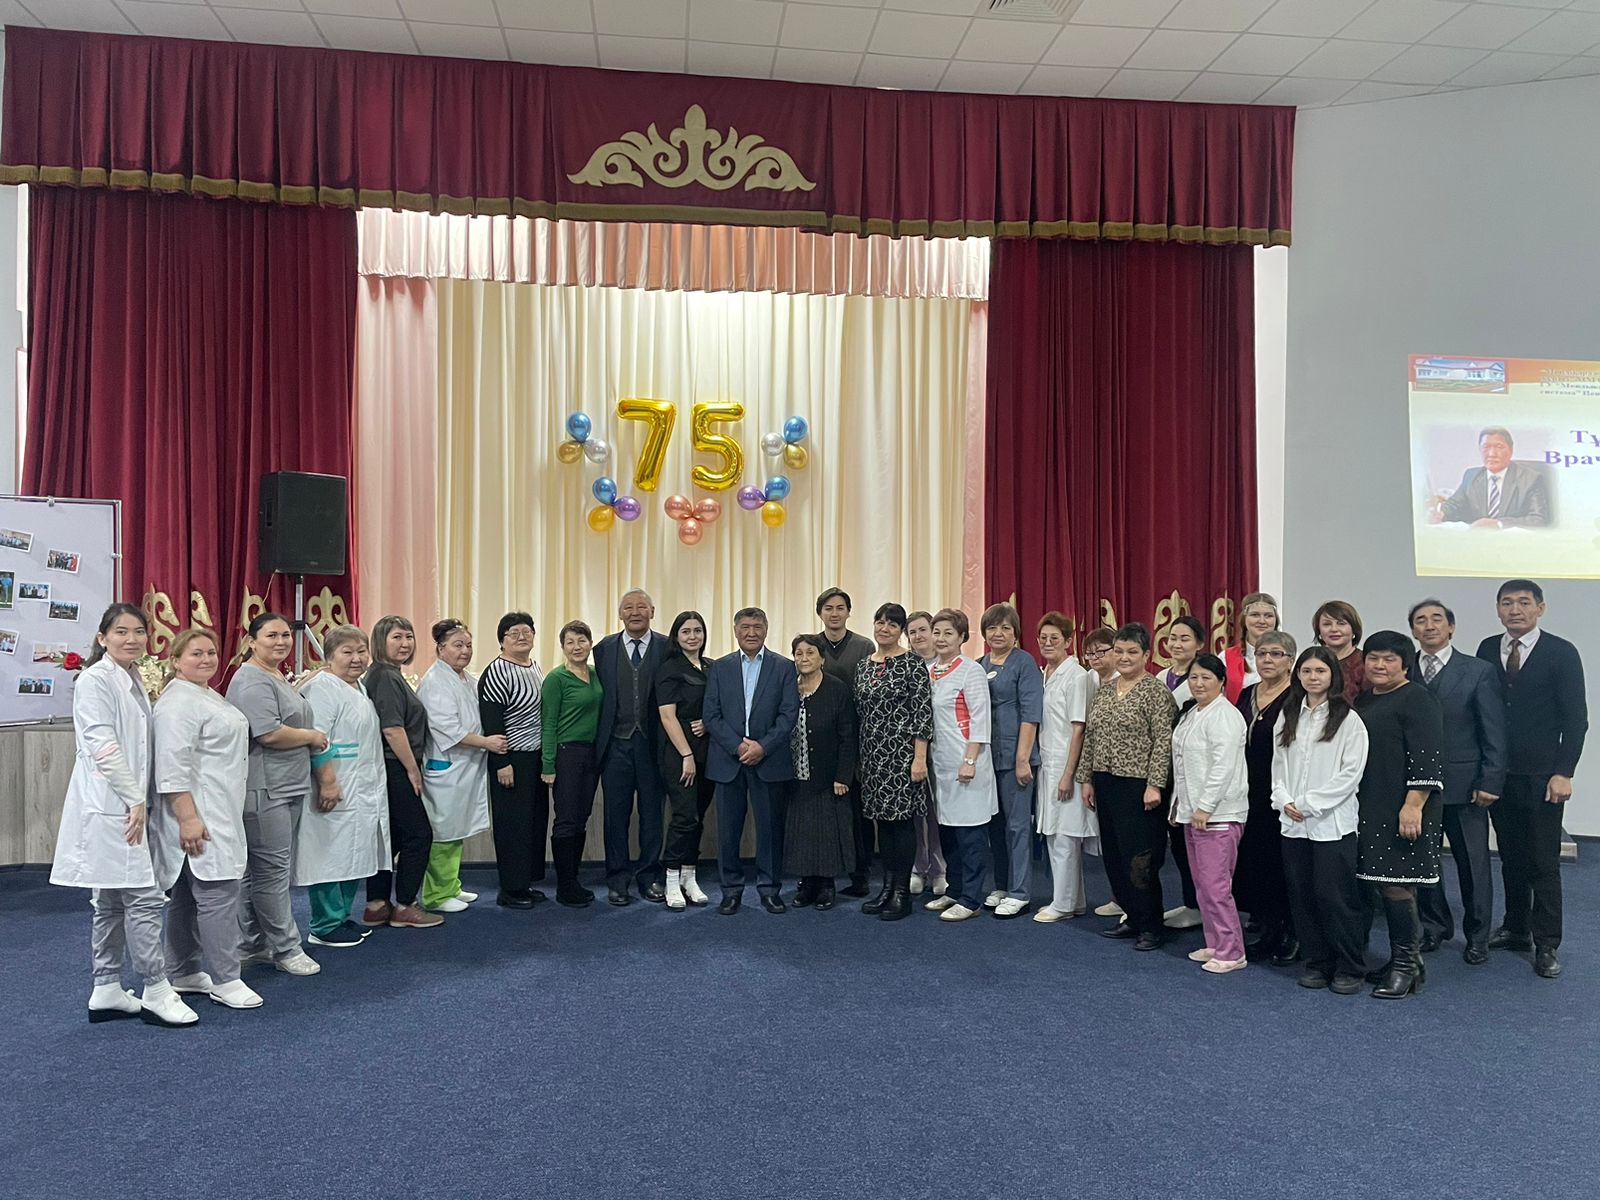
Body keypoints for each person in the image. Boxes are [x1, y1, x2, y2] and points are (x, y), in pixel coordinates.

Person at [53, 603, 198, 1028]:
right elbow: (103, 745)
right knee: (142, 896)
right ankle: (155, 988)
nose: (131, 639)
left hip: (126, 800)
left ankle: (107, 987)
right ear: (102, 638)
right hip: (115, 803)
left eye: (138, 631)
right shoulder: (95, 680)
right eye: (121, 631)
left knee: (112, 899)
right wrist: (135, 799)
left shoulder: (131, 676)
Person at [1476, 579, 1587, 978]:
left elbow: (1576, 719)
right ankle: (1516, 927)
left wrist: (1564, 772)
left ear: (1540, 608)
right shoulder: (1488, 648)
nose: (1515, 610)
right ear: (1498, 610)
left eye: (1524, 602)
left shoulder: (1561, 652)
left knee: (1543, 861)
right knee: (1511, 856)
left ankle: (1547, 943)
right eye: (1507, 603)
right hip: (1499, 774)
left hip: (1543, 776)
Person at [151, 628, 260, 1009]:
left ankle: (182, 970)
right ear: (176, 660)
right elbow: (171, 767)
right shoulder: (178, 703)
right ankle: (227, 979)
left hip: (218, 808)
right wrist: (188, 818)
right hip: (200, 813)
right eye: (196, 653)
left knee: (186, 895)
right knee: (218, 895)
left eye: (211, 652)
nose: (206, 659)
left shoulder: (204, 694)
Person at [227, 612, 328, 970]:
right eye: (271, 635)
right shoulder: (252, 679)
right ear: (251, 641)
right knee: (271, 873)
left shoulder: (274, 675)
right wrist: (313, 736)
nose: (281, 641)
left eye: (285, 635)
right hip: (267, 788)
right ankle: (287, 949)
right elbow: (268, 733)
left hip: (284, 785)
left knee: (259, 873)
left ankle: (253, 944)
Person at [1410, 599, 1506, 964]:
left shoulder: (1478, 670)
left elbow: (1493, 730)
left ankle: (1478, 935)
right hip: (1417, 788)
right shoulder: (1403, 669)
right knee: (1424, 863)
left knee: (1473, 865)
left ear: (1451, 626)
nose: (1429, 625)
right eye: (1421, 621)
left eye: (1437, 619)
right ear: (1413, 630)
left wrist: (1491, 779)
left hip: (1466, 786)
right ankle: (1434, 927)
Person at [1272, 647, 1371, 994]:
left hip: (1331, 824)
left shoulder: (1348, 719)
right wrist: (1284, 800)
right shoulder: (1288, 715)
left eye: (1320, 671)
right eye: (1307, 671)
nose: (1313, 677)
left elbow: (1350, 775)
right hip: (1293, 824)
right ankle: (1317, 962)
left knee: (1335, 898)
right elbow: (1278, 766)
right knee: (1302, 896)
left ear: (1333, 676)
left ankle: (1350, 966)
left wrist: (1308, 804)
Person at [1353, 631, 1446, 999]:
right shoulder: (1365, 699)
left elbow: (1428, 756)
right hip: (1372, 802)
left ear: (1405, 664)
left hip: (1405, 805)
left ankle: (1405, 966)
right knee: (1381, 880)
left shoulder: (1418, 698)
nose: (1379, 665)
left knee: (1398, 884)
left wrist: (1413, 805)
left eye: (1389, 659)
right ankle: (1407, 963)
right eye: (1373, 658)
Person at [1078, 624, 1177, 951]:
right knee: (1115, 855)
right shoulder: (1106, 690)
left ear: (1146, 655)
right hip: (1105, 781)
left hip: (1139, 786)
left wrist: (1155, 785)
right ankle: (1132, 916)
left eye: (1132, 652)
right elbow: (1091, 736)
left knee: (1140, 859)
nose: (1124, 657)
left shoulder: (1155, 692)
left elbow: (1163, 742)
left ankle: (1151, 925)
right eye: (1119, 651)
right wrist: (1086, 778)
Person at [296, 625, 389, 949]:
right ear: (329, 656)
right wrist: (328, 782)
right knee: (329, 853)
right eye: (347, 652)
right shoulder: (322, 688)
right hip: (335, 784)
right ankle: (324, 924)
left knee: (354, 851)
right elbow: (317, 738)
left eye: (361, 651)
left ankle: (341, 915)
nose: (356, 658)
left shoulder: (358, 686)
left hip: (362, 787)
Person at [704, 607, 798, 914]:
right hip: (728, 761)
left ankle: (769, 889)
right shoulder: (720, 667)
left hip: (768, 761)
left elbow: (788, 714)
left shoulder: (784, 667)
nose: (751, 632)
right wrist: (737, 747)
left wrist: (762, 747)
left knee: (770, 830)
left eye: (757, 626)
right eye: (745, 627)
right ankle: (731, 890)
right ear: (735, 631)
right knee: (728, 831)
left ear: (766, 630)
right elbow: (711, 715)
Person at [853, 602, 934, 922]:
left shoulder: (913, 664)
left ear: (901, 631)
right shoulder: (864, 665)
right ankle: (886, 888)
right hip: (872, 757)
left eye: (892, 624)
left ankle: (902, 892)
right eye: (880, 622)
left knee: (901, 824)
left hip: (902, 757)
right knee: (882, 825)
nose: (884, 628)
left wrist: (919, 759)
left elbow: (922, 715)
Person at [1171, 654, 1250, 973]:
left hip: (1219, 813)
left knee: (1216, 886)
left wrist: (1205, 806)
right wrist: (1182, 806)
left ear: (1221, 681)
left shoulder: (1226, 716)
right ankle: (1215, 942)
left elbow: (1223, 767)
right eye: (1194, 677)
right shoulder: (1193, 712)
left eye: (1206, 677)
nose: (1199, 683)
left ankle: (1232, 951)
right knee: (1202, 884)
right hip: (1193, 812)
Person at [363, 615, 442, 930]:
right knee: (419, 835)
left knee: (392, 836)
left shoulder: (388, 674)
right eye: (396, 637)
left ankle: (377, 904)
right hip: (395, 764)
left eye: (409, 637)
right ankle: (406, 905)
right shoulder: (385, 676)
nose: (405, 643)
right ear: (380, 641)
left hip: (391, 764)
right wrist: (412, 769)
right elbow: (393, 729)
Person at [593, 589, 671, 906]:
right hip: (616, 746)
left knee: (653, 815)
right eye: (628, 607)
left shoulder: (668, 647)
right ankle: (617, 879)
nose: (635, 612)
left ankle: (650, 876)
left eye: (641, 607)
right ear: (620, 613)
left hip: (654, 745)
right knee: (616, 817)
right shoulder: (603, 649)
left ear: (652, 611)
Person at [923, 608, 999, 922]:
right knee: (948, 832)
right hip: (939, 764)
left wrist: (970, 760)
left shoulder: (971, 671)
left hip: (967, 762)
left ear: (962, 638)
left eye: (948, 633)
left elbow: (981, 719)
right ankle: (954, 890)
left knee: (971, 835)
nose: (941, 639)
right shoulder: (928, 670)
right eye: (936, 632)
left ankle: (972, 898)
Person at [417, 619, 497, 913]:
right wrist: (486, 742)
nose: (465, 651)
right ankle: (436, 895)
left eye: (468, 645)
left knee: (457, 830)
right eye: (457, 645)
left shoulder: (466, 678)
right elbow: (448, 729)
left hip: (465, 768)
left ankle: (451, 885)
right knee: (444, 833)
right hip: (446, 767)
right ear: (440, 649)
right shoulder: (435, 682)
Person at [1234, 630, 1298, 965]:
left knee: (1281, 864)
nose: (1268, 660)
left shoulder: (1297, 697)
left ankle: (1291, 932)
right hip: (1249, 792)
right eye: (1261, 654)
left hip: (1282, 792)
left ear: (1290, 661)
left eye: (1276, 654)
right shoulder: (1247, 694)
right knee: (1256, 860)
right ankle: (1268, 928)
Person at [785, 634, 860, 911]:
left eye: (810, 653)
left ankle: (826, 885)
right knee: (802, 831)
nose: (804, 658)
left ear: (822, 659)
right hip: (795, 775)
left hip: (828, 776)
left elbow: (848, 736)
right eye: (799, 653)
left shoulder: (836, 689)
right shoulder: (788, 688)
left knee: (827, 831)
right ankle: (807, 884)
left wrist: (843, 776)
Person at [479, 611, 548, 909]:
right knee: (512, 825)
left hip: (535, 757)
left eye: (527, 632)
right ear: (502, 641)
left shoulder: (534, 666)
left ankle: (526, 882)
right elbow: (492, 722)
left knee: (533, 821)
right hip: (511, 760)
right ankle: (510, 889)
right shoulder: (497, 671)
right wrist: (502, 762)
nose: (522, 637)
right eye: (514, 633)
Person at [979, 602, 1042, 919]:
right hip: (986, 758)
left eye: (1005, 628)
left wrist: (1022, 759)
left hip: (1016, 757)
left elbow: (1031, 714)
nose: (998, 633)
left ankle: (1020, 892)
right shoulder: (979, 664)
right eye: (992, 627)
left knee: (1018, 827)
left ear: (1015, 633)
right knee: (995, 826)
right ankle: (1002, 885)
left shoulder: (1024, 662)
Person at [1034, 611, 1097, 924]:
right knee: (1054, 832)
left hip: (1065, 763)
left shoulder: (1077, 675)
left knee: (1065, 835)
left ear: (1068, 641)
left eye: (1054, 638)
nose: (1048, 643)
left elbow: (1079, 728)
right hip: (1047, 762)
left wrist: (1069, 775)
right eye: (1043, 638)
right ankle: (1075, 900)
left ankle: (1063, 903)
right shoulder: (1044, 672)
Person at [815, 586, 877, 898]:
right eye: (828, 608)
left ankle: (860, 875)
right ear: (820, 613)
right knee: (823, 812)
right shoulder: (811, 646)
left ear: (849, 612)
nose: (834, 613)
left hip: (858, 739)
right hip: (821, 742)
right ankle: (822, 874)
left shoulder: (864, 646)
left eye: (840, 608)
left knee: (858, 813)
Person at [542, 620, 605, 908]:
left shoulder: (595, 673)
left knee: (581, 817)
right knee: (566, 819)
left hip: (591, 754)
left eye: (582, 640)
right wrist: (548, 764)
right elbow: (548, 723)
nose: (577, 647)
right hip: (566, 754)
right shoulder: (556, 679)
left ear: (590, 644)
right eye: (570, 642)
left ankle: (574, 878)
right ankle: (565, 886)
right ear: (562, 647)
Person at [658, 611, 716, 911]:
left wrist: (708, 721)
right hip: (679, 753)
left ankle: (689, 876)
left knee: (698, 817)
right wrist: (687, 755)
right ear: (676, 636)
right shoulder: (670, 668)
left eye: (697, 631)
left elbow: (719, 706)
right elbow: (667, 716)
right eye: (686, 631)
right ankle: (671, 878)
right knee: (684, 817)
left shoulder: (711, 667)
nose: (693, 636)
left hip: (709, 752)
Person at [1156, 614, 1205, 931]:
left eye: (1185, 638)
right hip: (1164, 768)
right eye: (1173, 637)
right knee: (1175, 841)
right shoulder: (1162, 676)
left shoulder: (1201, 677)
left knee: (1192, 844)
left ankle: (1199, 906)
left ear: (1199, 643)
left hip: (1191, 769)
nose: (1176, 643)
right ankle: (1189, 902)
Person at [1081, 627, 1125, 921]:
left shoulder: (1125, 681)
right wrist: (1086, 777)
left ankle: (1129, 901)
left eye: (1101, 651)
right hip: (1098, 766)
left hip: (1125, 770)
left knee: (1124, 840)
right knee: (1109, 840)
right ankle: (1117, 895)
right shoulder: (1089, 679)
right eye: (1090, 653)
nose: (1095, 658)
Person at [904, 609, 947, 898]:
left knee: (938, 812)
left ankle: (940, 869)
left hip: (943, 748)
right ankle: (919, 866)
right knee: (917, 814)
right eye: (912, 632)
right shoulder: (905, 666)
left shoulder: (946, 664)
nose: (918, 636)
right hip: (912, 748)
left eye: (923, 630)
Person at [1432, 427, 1550, 528]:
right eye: (1486, 447)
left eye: (1499, 447)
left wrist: (1498, 524)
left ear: (1511, 450)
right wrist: (1440, 513)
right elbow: (1454, 505)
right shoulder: (1471, 476)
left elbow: (1538, 519)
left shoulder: (1531, 479)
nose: (1492, 454)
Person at [1224, 592, 1281, 704]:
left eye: (1268, 616)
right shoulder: (1226, 657)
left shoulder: (1289, 656)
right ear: (1244, 619)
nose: (1262, 621)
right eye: (1255, 615)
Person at [1313, 600, 1366, 704]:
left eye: (1341, 623)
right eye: (1327, 624)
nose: (1334, 629)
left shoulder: (1365, 662)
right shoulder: (1311, 662)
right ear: (1319, 631)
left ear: (1354, 629)